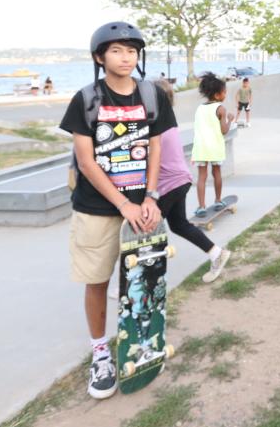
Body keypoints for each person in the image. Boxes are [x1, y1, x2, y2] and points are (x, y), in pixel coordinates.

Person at [59, 22, 178, 400]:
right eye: (116, 51)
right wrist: (123, 203)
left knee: (144, 281)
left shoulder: (151, 95)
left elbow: (157, 148)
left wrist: (151, 197)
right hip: (98, 210)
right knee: (98, 280)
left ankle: (141, 341)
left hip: (142, 207)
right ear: (99, 57)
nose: (126, 57)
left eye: (132, 51)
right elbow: (86, 160)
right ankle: (100, 353)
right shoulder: (87, 98)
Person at [155, 78, 232, 283]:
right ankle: (217, 253)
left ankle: (143, 277)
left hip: (171, 182)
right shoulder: (166, 120)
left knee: (148, 228)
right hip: (180, 179)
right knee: (178, 224)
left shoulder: (157, 123)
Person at [191, 72, 234, 217]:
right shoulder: (221, 109)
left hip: (200, 148)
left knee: (201, 177)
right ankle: (217, 200)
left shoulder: (199, 108)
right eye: (224, 92)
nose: (226, 94)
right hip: (214, 147)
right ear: (217, 95)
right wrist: (230, 120)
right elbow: (224, 131)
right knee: (217, 173)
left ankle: (201, 206)